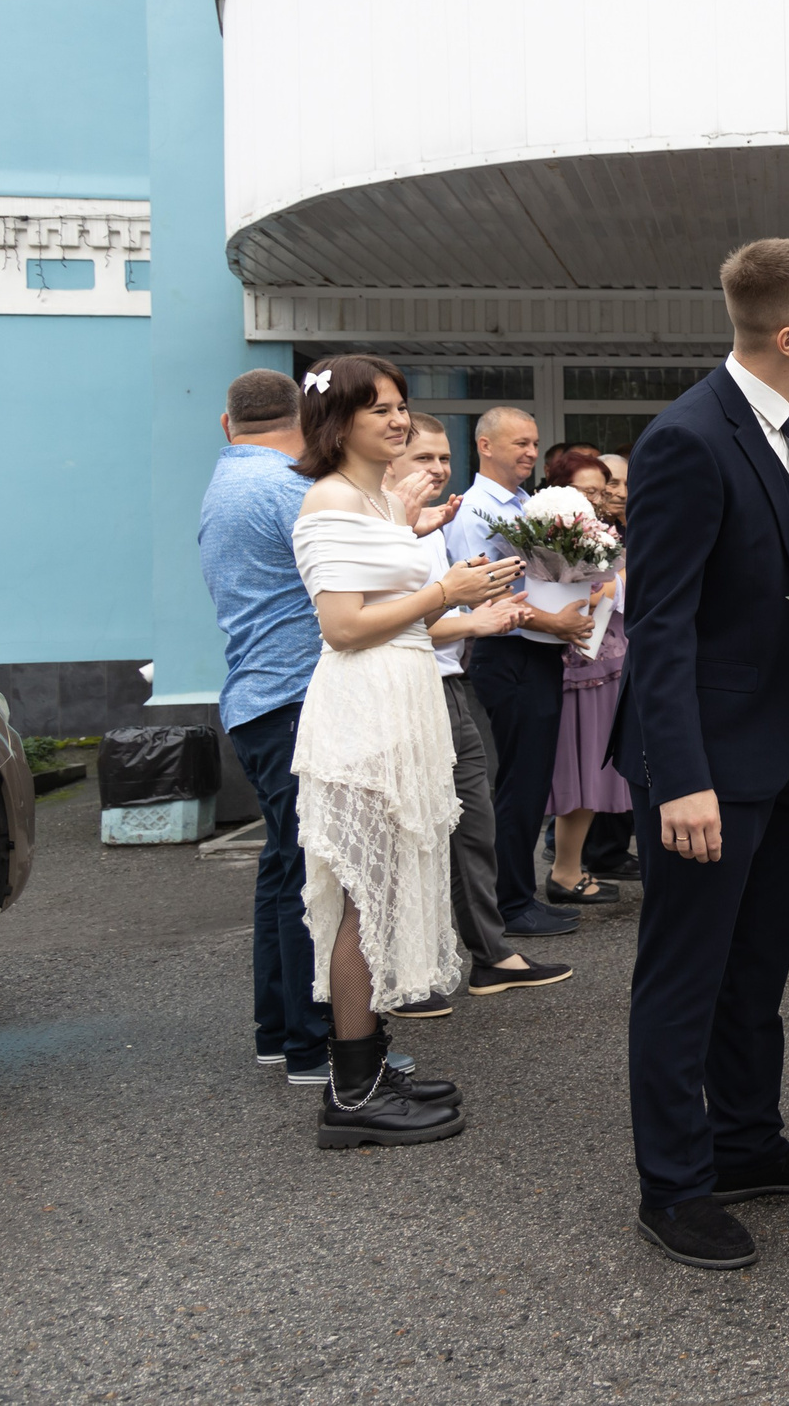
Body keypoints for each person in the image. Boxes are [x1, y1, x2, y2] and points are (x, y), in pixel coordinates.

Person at [616, 239, 789, 1269]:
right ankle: (672, 1186)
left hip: (779, 751)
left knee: (754, 965)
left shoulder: (788, 431)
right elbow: (658, 624)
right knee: (685, 977)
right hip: (705, 767)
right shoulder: (687, 437)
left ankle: (745, 1140)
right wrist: (682, 779)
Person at [288, 354, 519, 1146]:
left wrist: (464, 604)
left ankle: (371, 1060)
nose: (397, 420)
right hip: (365, 707)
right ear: (337, 421)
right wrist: (445, 591)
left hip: (405, 697)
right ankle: (351, 1093)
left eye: (400, 405)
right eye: (378, 409)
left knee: (386, 889)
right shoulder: (327, 498)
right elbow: (343, 625)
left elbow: (401, 609)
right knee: (362, 894)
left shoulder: (378, 499)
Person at [385, 416, 572, 1006]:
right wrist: (475, 618)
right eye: (423, 458)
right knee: (417, 833)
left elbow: (443, 607)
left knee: (473, 821)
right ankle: (400, 975)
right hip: (412, 683)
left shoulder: (433, 522)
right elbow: (386, 623)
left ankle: (491, 953)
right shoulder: (395, 523)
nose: (438, 470)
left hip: (449, 677)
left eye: (443, 458)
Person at [202, 370, 341, 1084]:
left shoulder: (229, 478)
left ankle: (279, 1032)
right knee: (311, 876)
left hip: (257, 699)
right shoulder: (290, 488)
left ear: (228, 424)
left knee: (284, 868)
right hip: (294, 698)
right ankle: (315, 1045)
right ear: (304, 421)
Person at [445, 405, 597, 938]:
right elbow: (484, 598)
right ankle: (509, 904)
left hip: (537, 653)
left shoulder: (524, 503)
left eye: (534, 443)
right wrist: (554, 621)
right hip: (507, 655)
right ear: (485, 446)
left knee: (532, 783)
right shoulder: (476, 512)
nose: (532, 452)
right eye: (520, 444)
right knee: (518, 783)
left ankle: (518, 894)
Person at [540, 449, 631, 909]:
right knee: (577, 770)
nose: (597, 498)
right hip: (578, 663)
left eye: (601, 490)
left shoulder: (600, 532)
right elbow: (589, 591)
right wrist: (619, 579)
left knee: (593, 770)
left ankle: (572, 866)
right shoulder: (551, 536)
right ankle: (564, 869)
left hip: (607, 657)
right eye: (586, 490)